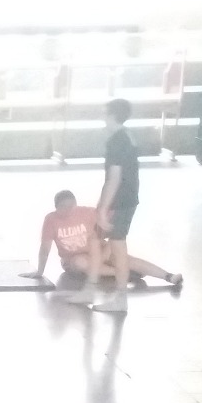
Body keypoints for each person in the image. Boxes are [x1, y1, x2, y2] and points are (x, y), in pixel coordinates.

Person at [26, 189, 182, 287]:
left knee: (125, 259)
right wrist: (40, 271)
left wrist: (108, 247)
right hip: (74, 260)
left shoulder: (87, 212)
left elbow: (111, 222)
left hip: (100, 251)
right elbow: (45, 248)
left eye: (71, 206)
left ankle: (168, 276)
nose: (68, 211)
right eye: (63, 207)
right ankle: (122, 273)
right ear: (56, 208)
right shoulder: (51, 220)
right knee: (81, 263)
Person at [84, 98, 141, 314]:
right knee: (95, 238)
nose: (102, 117)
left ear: (112, 116)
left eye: (104, 113)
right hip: (122, 199)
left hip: (120, 202)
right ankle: (90, 289)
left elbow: (114, 179)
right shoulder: (126, 136)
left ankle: (121, 298)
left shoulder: (117, 141)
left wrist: (103, 209)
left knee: (118, 248)